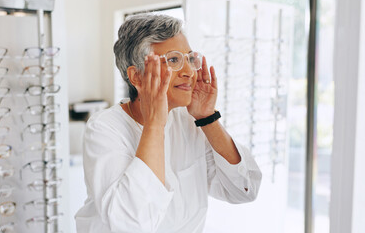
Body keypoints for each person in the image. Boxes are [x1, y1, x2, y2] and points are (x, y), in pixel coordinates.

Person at [75, 13, 262, 233]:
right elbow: (130, 225)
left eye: (190, 59)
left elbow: (245, 189)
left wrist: (207, 118)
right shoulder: (105, 128)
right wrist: (155, 124)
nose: (189, 72)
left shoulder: (188, 120)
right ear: (136, 77)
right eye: (174, 60)